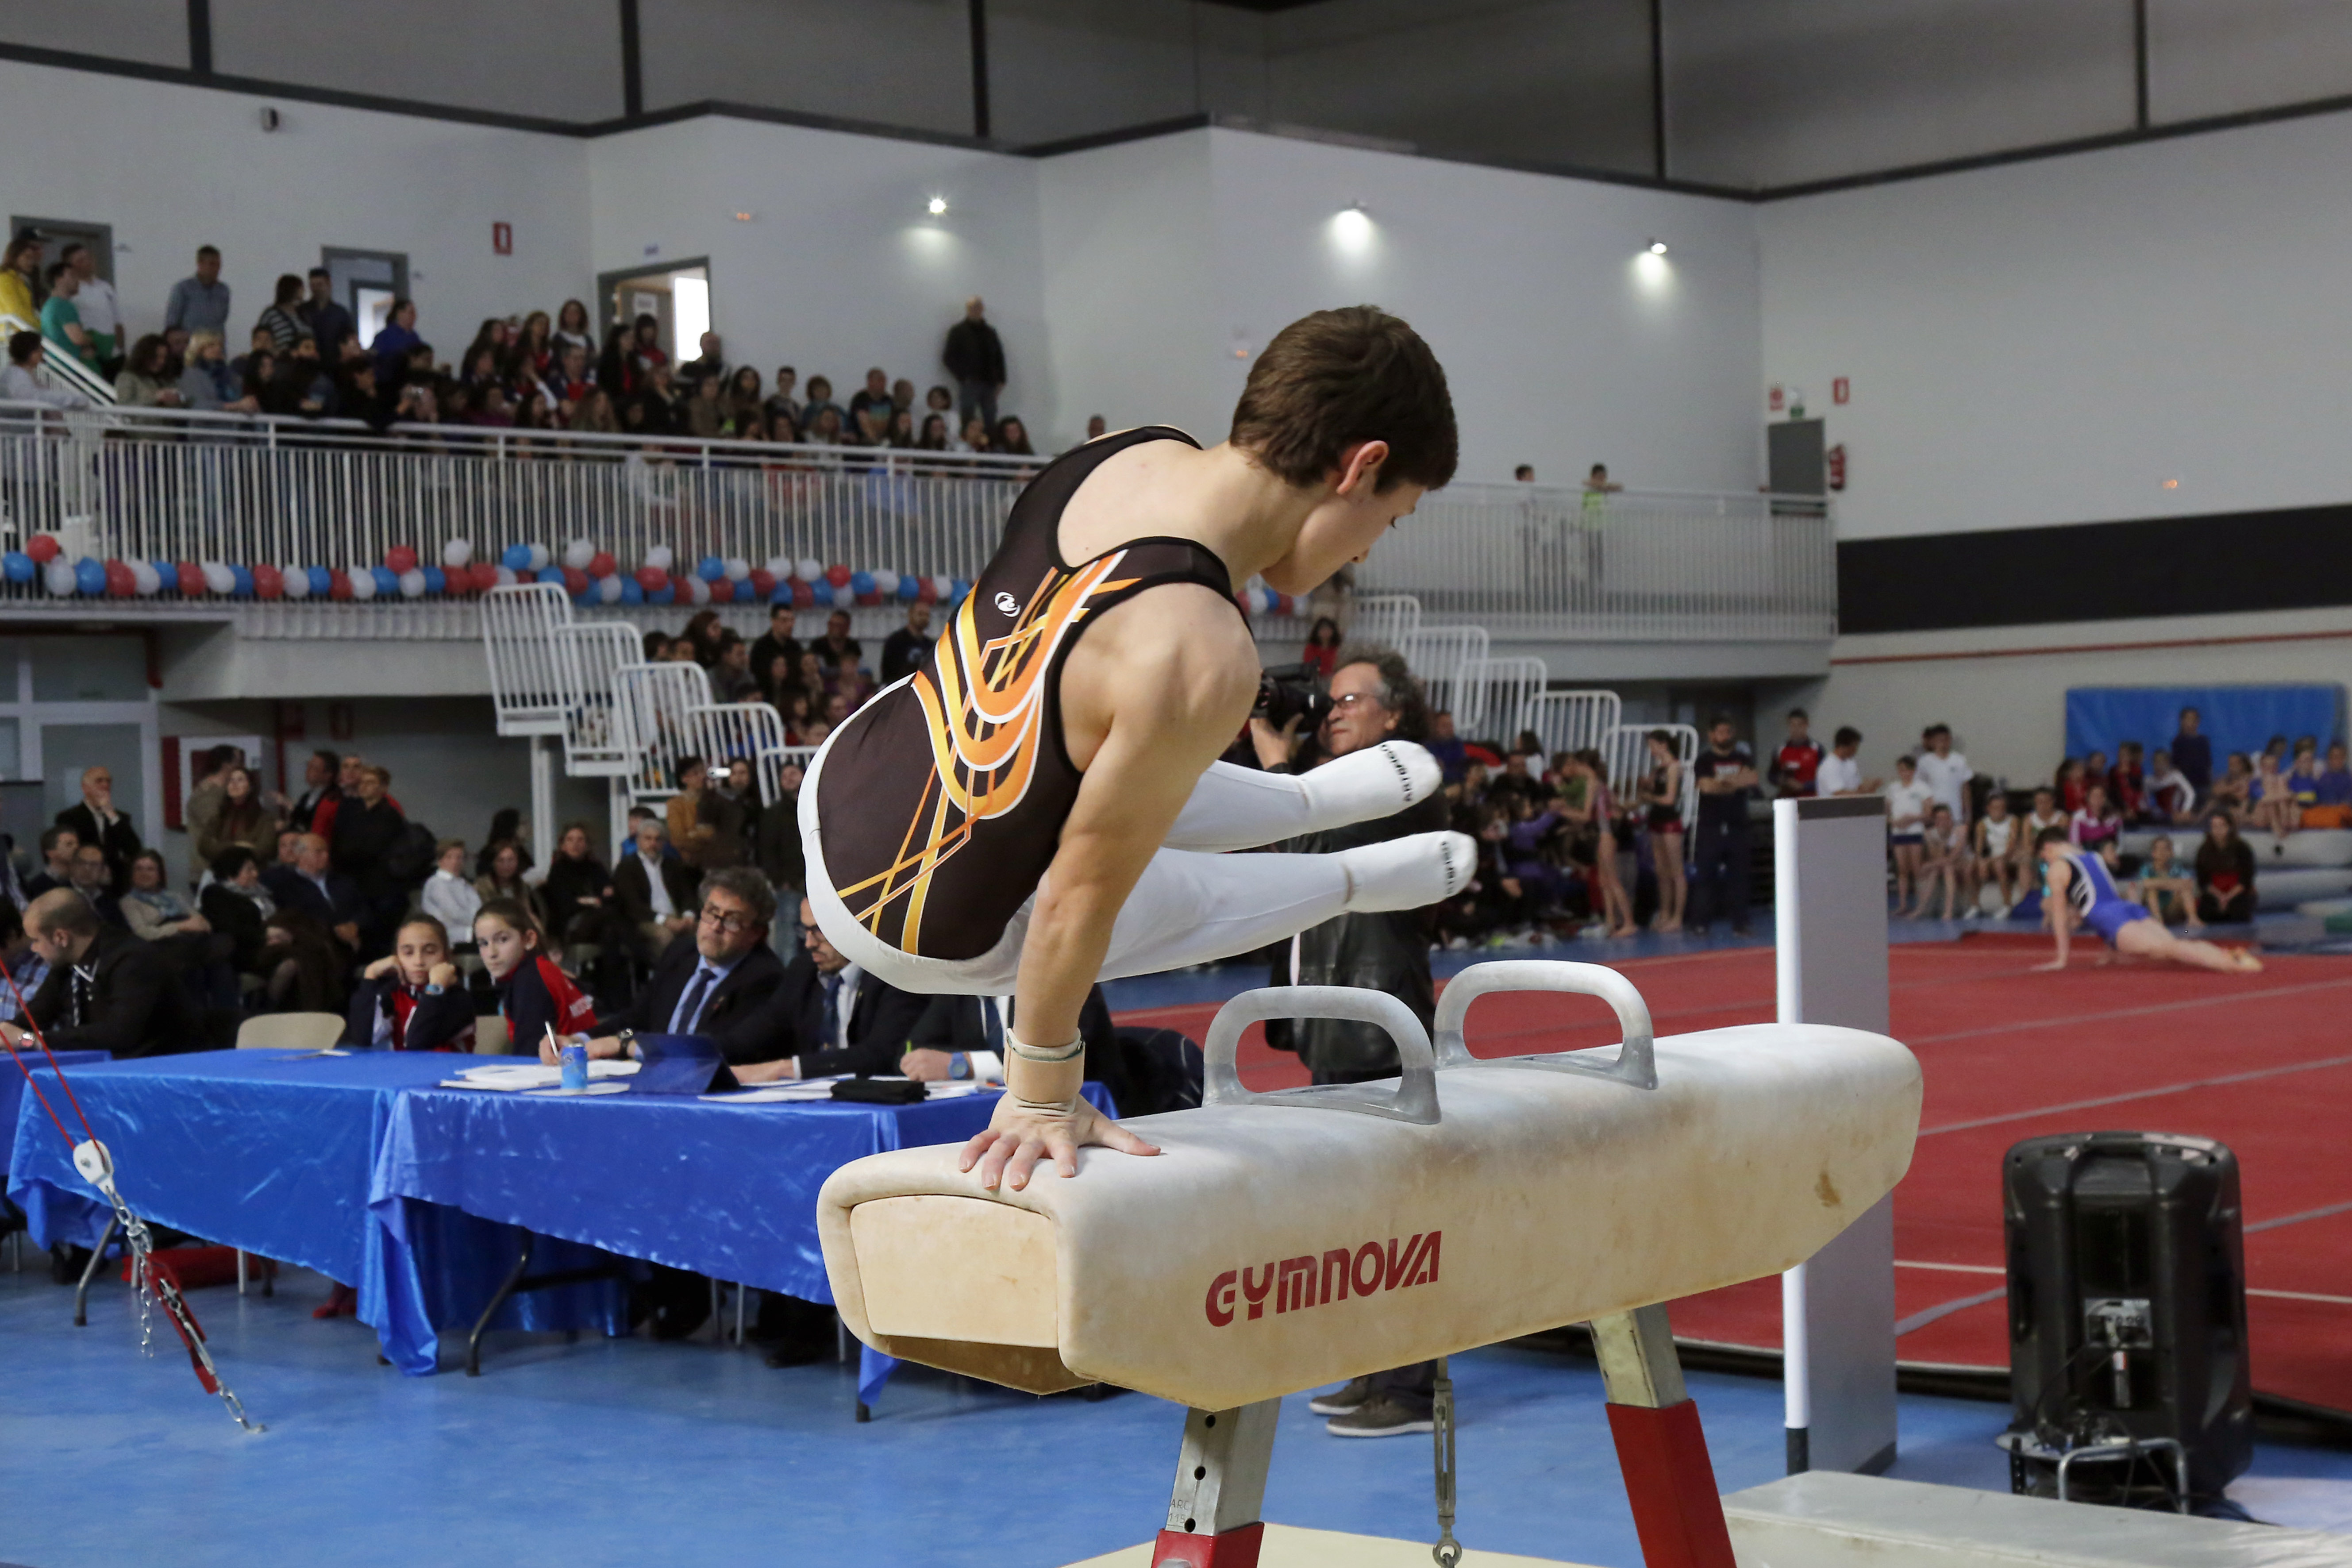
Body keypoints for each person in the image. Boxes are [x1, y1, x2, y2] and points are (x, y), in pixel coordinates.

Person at [803, 306, 1468, 1192]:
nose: (1368, 546)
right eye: (1390, 518)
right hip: (914, 924)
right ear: (1360, 466)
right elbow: (1075, 898)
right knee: (1158, 871)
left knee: (1111, 743)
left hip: (848, 772)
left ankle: (1318, 805)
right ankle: (1343, 869)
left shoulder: (1125, 450)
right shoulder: (1197, 646)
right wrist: (1039, 1089)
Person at [547, 868, 787, 1066]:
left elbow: (718, 1048)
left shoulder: (764, 977)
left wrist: (626, 1045)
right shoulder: (681, 953)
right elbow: (637, 1019)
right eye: (712, 913)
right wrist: (577, 1040)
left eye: (732, 921)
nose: (715, 927)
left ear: (757, 934)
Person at [730, 897, 928, 1083]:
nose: (809, 944)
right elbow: (756, 1033)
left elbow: (882, 1055)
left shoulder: (897, 973)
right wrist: (705, 1055)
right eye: (804, 930)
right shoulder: (803, 971)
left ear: (856, 924)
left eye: (820, 931)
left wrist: (786, 1069)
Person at [5, 890, 200, 1057]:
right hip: (108, 1071)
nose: (34, 949)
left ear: (61, 937)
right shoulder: (66, 964)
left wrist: (30, 1041)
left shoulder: (132, 959)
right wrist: (6, 1032)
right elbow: (33, 1016)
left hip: (162, 1073)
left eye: (36, 940)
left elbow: (119, 1034)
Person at [2035, 828, 2259, 973]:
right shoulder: (2094, 857)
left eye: (2044, 858)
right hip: (2129, 909)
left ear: (2048, 848)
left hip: (2111, 918)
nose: (2046, 862)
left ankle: (2229, 961)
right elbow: (2104, 894)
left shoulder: (2057, 868)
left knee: (2169, 948)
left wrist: (2061, 959)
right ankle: (2226, 955)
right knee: (2171, 948)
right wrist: (2111, 949)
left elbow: (2060, 915)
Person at [475, 898, 595, 1050]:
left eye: (503, 940)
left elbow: (530, 1057)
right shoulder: (540, 969)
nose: (492, 953)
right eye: (483, 944)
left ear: (529, 940)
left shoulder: (530, 983)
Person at [343, 916, 473, 1052]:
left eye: (430, 952)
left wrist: (435, 988)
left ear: (447, 956)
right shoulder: (393, 992)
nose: (419, 961)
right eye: (408, 953)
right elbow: (363, 1039)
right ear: (396, 957)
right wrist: (370, 976)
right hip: (405, 1071)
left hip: (448, 1072)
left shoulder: (458, 998)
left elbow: (417, 1043)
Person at [1687, 714, 1758, 935]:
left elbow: (1752, 779)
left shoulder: (1743, 757)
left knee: (1740, 877)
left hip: (1738, 825)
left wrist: (1724, 783)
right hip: (1711, 826)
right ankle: (1701, 924)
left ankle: (1741, 923)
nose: (1725, 736)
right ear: (1711, 735)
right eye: (1720, 732)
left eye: (1729, 732)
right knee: (1706, 876)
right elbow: (1706, 787)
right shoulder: (1704, 760)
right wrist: (1734, 783)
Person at [613, 815, 701, 963]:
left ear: (664, 843)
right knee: (664, 936)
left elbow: (688, 894)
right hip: (646, 920)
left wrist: (689, 915)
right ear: (639, 841)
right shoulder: (627, 867)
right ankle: (669, 981)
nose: (653, 843)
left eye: (658, 839)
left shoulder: (673, 865)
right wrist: (665, 921)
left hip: (677, 917)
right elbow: (633, 905)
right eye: (648, 839)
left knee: (705, 931)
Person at [266, 832, 364, 954]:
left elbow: (362, 908)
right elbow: (298, 918)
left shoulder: (342, 881)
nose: (326, 856)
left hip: (356, 937)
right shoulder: (287, 885)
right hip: (317, 944)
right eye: (319, 852)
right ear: (299, 855)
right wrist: (337, 930)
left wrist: (355, 924)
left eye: (326, 851)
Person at [55, 764, 142, 894]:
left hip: (116, 885)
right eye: (99, 781)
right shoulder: (68, 818)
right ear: (85, 788)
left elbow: (134, 849)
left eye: (108, 781)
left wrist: (111, 815)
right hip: (83, 881)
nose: (105, 785)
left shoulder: (120, 818)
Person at [1640, 730, 1686, 932]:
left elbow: (1670, 799)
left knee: (1676, 870)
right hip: (1656, 819)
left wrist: (1650, 797)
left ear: (1664, 744)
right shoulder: (1658, 769)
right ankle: (1665, 913)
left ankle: (1677, 916)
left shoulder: (1674, 767)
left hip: (1669, 820)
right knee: (1662, 872)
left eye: (1653, 745)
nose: (1651, 750)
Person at [539, 823, 612, 946]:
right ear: (563, 846)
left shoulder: (596, 867)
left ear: (587, 845)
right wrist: (595, 901)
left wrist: (587, 901)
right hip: (572, 924)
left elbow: (610, 895)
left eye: (580, 840)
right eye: (570, 840)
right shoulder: (559, 870)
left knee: (610, 932)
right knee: (611, 916)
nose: (575, 844)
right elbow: (565, 905)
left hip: (599, 921)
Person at [190, 763, 275, 868]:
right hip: (222, 871)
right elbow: (205, 847)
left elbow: (264, 850)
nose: (234, 784)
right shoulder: (219, 816)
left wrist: (222, 847)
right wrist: (237, 845)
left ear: (250, 787)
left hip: (252, 872)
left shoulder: (264, 818)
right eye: (231, 780)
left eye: (240, 780)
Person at [943, 296, 1007, 431]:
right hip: (970, 383)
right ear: (968, 310)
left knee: (990, 419)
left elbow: (999, 357)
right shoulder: (958, 331)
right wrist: (963, 377)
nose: (976, 311)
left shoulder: (990, 333)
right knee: (967, 418)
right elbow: (948, 358)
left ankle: (989, 447)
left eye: (978, 308)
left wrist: (1001, 380)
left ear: (983, 309)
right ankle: (967, 447)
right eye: (973, 308)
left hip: (990, 383)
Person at [119, 851, 212, 944]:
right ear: (132, 875)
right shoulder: (129, 902)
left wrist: (203, 925)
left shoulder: (174, 896)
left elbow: (198, 918)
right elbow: (143, 933)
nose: (144, 874)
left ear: (159, 876)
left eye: (150, 869)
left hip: (191, 938)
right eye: (139, 869)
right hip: (162, 945)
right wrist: (180, 926)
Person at [1884, 756, 1932, 914]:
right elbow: (1888, 812)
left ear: (1913, 771)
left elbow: (1928, 814)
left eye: (1907, 770)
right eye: (1901, 770)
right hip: (1899, 832)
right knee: (1902, 870)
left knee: (1916, 869)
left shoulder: (1922, 788)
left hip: (1915, 831)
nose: (1904, 773)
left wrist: (1912, 819)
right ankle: (1903, 904)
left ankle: (1921, 905)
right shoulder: (1893, 788)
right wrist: (1894, 822)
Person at [2193, 812, 2257, 925]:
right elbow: (2203, 880)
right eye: (2214, 827)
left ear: (2229, 827)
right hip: (2215, 891)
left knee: (2238, 913)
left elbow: (2247, 878)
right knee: (2207, 912)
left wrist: (2228, 897)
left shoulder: (2243, 848)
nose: (2218, 830)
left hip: (2237, 891)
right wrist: (2220, 897)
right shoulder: (2204, 850)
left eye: (2221, 826)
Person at [474, 840, 547, 935]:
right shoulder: (483, 886)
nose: (506, 865)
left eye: (511, 860)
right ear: (493, 863)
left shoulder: (522, 886)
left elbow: (526, 911)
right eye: (501, 861)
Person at [1914, 723, 1973, 834]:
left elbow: (1965, 788)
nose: (1943, 743)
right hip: (1934, 815)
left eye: (1946, 739)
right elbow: (1919, 790)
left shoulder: (1959, 760)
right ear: (1933, 742)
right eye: (1939, 740)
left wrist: (1968, 814)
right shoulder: (1925, 762)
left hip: (1956, 815)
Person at [2132, 836, 2202, 929]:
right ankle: (2158, 921)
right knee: (2152, 891)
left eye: (2166, 849)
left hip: (2171, 906)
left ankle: (2193, 919)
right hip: (2151, 907)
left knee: (2186, 890)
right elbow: (2145, 884)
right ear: (2153, 853)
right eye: (2159, 849)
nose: (2162, 852)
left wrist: (2158, 884)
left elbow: (2188, 883)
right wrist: (2172, 884)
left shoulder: (2176, 868)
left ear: (2171, 853)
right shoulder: (2147, 868)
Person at [421, 839, 482, 943]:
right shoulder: (436, 883)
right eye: (449, 857)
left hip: (471, 932)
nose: (455, 862)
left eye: (459, 858)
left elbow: (478, 907)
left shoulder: (465, 884)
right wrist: (480, 923)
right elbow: (454, 913)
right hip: (449, 937)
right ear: (440, 860)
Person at [1971, 791, 2022, 914]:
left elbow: (2011, 846)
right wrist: (1981, 862)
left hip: (2011, 855)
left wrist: (1991, 860)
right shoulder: (1983, 824)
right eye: (1995, 808)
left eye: (2002, 808)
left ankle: (2007, 905)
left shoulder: (2013, 820)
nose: (1999, 810)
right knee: (1970, 868)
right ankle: (1975, 905)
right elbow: (1978, 849)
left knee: (1999, 866)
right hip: (1994, 855)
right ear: (1988, 808)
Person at [39, 262, 97, 370]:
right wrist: (94, 339)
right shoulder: (62, 305)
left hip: (57, 365)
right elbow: (78, 338)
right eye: (72, 276)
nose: (77, 280)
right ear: (58, 280)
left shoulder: (49, 305)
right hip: (67, 367)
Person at [1915, 805, 1968, 921]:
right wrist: (1942, 840)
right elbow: (1936, 857)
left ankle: (1948, 911)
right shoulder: (1929, 834)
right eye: (1940, 819)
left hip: (1962, 862)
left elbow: (1955, 856)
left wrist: (1932, 864)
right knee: (1936, 870)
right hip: (1942, 865)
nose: (1944, 821)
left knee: (1947, 868)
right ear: (1935, 820)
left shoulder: (1961, 830)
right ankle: (1921, 908)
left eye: (1947, 818)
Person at [164, 245, 231, 337]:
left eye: (218, 265)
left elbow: (222, 320)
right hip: (190, 347)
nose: (216, 269)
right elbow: (172, 323)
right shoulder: (183, 289)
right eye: (212, 264)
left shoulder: (223, 291)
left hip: (214, 346)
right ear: (200, 264)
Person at [1768, 708, 1824, 798]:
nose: (1796, 729)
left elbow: (1824, 778)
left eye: (1800, 725)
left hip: (1811, 799)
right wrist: (1782, 781)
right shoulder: (1780, 750)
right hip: (1787, 799)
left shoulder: (1817, 749)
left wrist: (1804, 786)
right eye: (1792, 725)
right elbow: (1771, 775)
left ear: (1806, 725)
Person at [298, 269, 353, 360]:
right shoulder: (303, 310)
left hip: (334, 365)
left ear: (329, 285)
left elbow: (348, 339)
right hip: (308, 363)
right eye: (313, 285)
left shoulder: (340, 313)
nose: (316, 289)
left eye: (320, 285)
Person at [66, 844, 124, 929]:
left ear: (103, 870)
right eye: (81, 863)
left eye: (94, 865)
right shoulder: (60, 895)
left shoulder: (108, 900)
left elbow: (124, 932)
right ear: (72, 866)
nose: (87, 869)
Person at [878, 601, 935, 686]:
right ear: (910, 614)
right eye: (920, 614)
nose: (924, 618)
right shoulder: (895, 642)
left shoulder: (930, 646)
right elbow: (888, 672)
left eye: (927, 615)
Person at [287, 748, 340, 833]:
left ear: (328, 775)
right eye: (308, 766)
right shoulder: (306, 796)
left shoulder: (334, 797)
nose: (307, 771)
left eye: (313, 768)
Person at [1815, 726, 1877, 797]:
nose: (1855, 751)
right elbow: (1839, 794)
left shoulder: (1850, 763)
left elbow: (1857, 787)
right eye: (1854, 747)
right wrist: (1864, 793)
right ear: (1843, 746)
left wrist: (1870, 786)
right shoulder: (1830, 766)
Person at [2170, 707, 2212, 807]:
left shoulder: (2203, 741)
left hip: (2203, 784)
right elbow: (2175, 765)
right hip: (2185, 785)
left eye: (2194, 720)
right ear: (2182, 721)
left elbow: (2208, 763)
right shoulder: (2178, 741)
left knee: (2202, 808)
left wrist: (2210, 783)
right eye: (2188, 719)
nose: (2191, 723)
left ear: (2198, 722)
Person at [22, 827, 78, 902]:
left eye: (78, 844)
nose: (77, 848)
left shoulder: (80, 883)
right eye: (69, 844)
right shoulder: (36, 887)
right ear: (51, 852)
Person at [2146, 749, 2196, 826]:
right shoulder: (2149, 781)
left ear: (2168, 763)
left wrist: (2185, 810)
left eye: (2162, 762)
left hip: (2178, 814)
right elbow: (2146, 800)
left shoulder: (2176, 776)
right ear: (2153, 764)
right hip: (2160, 816)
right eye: (2156, 762)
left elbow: (2190, 793)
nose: (2159, 765)